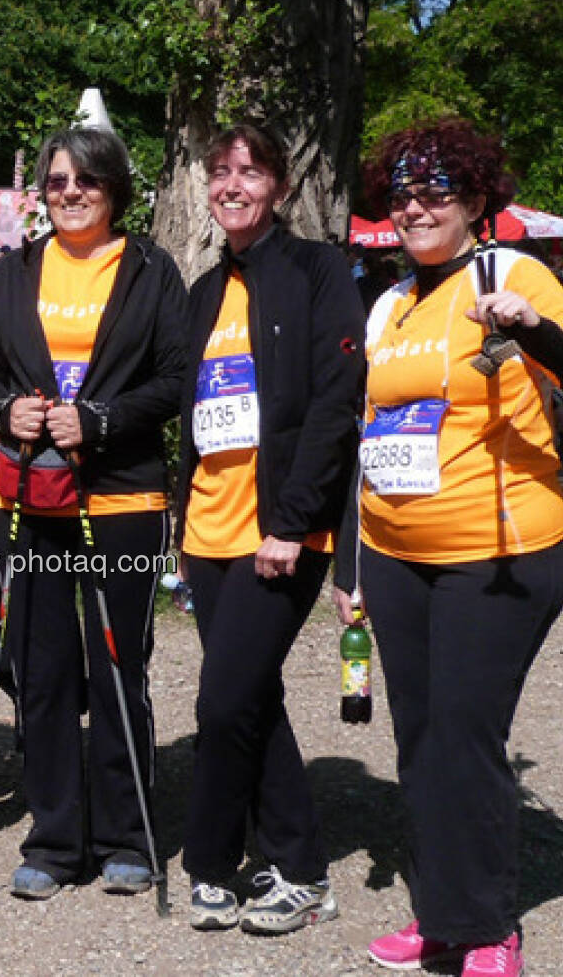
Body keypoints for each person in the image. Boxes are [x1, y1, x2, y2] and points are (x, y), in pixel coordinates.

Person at [336, 119, 563, 977]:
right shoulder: (389, 301)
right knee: (420, 740)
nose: (417, 206)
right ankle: (439, 916)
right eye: (403, 193)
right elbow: (373, 433)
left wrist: (532, 326)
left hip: (498, 553)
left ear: (473, 201)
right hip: (395, 554)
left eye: (436, 191)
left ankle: (490, 926)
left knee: (466, 734)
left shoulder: (512, 273)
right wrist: (351, 567)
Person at [0, 128, 188, 900]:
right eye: (57, 180)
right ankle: (55, 837)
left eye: (86, 180)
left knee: (118, 665)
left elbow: (175, 379)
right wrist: (5, 409)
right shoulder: (17, 268)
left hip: (120, 494)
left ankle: (129, 832)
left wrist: (100, 420)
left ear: (114, 188)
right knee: (43, 670)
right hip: (28, 495)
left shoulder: (152, 271)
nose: (69, 192)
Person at [175, 124, 365, 934]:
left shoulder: (317, 271)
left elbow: (335, 400)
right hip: (206, 534)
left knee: (222, 703)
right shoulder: (204, 291)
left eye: (249, 172)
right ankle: (289, 867)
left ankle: (223, 861)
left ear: (279, 187)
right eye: (220, 172)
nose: (232, 184)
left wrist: (291, 520)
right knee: (251, 695)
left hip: (279, 535)